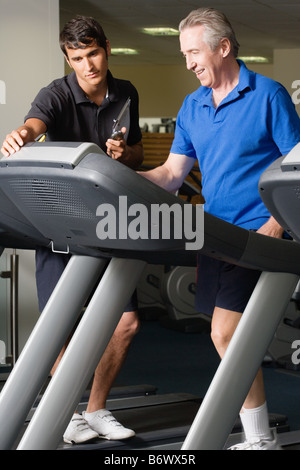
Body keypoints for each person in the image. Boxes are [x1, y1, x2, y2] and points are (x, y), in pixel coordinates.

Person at [139, 8, 300, 450]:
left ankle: (260, 437)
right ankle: (258, 433)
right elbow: (173, 174)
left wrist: (276, 225)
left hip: (256, 235)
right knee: (229, 335)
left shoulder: (268, 95)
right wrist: (123, 178)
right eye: (183, 54)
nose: (188, 62)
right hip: (214, 234)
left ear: (223, 47)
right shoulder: (191, 105)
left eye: (193, 52)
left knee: (225, 333)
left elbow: (297, 168)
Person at [1, 16, 143, 444]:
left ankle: (95, 409)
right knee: (58, 326)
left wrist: (125, 152)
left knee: (126, 323)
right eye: (77, 58)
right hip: (59, 225)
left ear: (107, 48)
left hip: (109, 223)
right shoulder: (57, 94)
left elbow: (134, 153)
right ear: (68, 58)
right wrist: (21, 134)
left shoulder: (126, 92)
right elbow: (35, 125)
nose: (88, 65)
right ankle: (67, 412)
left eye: (93, 54)